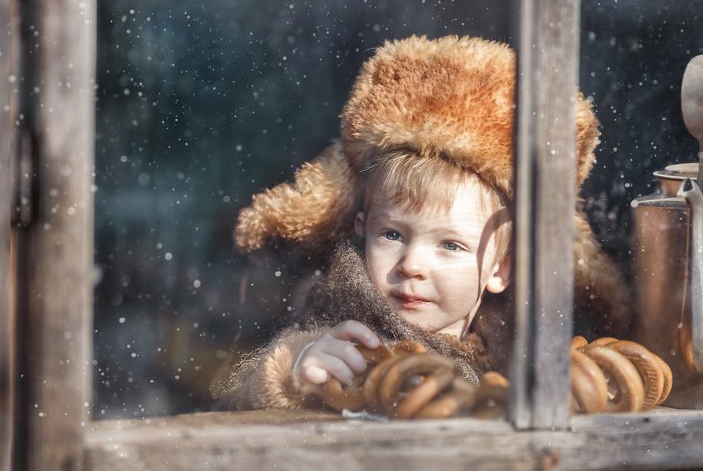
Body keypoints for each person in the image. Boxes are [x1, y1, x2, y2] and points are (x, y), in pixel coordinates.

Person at [214, 35, 630, 411]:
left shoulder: (518, 355)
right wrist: (297, 369)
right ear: (363, 231)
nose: (411, 265)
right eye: (393, 235)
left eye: (450, 245)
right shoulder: (347, 334)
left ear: (500, 270)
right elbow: (242, 394)